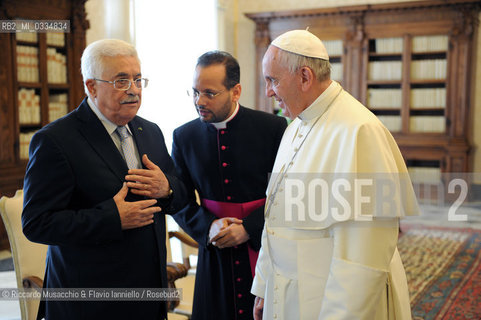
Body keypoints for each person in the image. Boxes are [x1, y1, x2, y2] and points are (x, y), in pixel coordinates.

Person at [251, 30, 420, 319]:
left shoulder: (359, 131)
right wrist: (265, 284)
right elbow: (274, 216)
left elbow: (362, 256)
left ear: (305, 77)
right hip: (288, 294)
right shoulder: (294, 127)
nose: (268, 91)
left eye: (273, 80)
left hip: (327, 302)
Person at [22, 39, 187, 320]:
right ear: (92, 86)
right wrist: (111, 218)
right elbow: (37, 224)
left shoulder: (151, 131)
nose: (134, 90)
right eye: (121, 81)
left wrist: (166, 188)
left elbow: (180, 197)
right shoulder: (55, 140)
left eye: (137, 79)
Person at [171, 50, 287, 320]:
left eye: (209, 93)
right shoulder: (184, 136)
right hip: (215, 253)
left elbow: (289, 191)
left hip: (266, 246)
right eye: (195, 92)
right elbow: (179, 200)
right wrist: (209, 225)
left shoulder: (272, 128)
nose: (199, 101)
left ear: (236, 91)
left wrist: (250, 227)